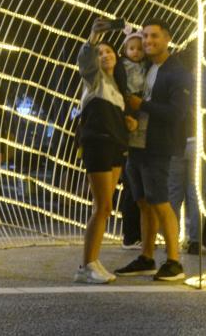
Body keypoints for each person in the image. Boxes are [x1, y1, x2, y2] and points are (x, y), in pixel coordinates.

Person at [114, 18, 191, 282]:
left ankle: (174, 262)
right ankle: (147, 257)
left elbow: (177, 113)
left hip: (159, 146)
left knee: (160, 202)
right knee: (143, 203)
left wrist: (141, 105)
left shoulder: (177, 72)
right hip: (137, 145)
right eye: (145, 36)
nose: (148, 41)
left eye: (154, 36)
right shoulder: (143, 67)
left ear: (167, 39)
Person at [73, 19, 133, 284]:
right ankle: (87, 265)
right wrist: (94, 36)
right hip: (98, 144)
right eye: (101, 52)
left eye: (109, 51)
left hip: (116, 147)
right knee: (103, 206)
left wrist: (127, 122)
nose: (105, 54)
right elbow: (85, 58)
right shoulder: (93, 80)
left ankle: (92, 261)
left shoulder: (117, 89)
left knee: (106, 207)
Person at [116, 31, 147, 250]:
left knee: (139, 189)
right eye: (131, 48)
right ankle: (130, 235)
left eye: (139, 48)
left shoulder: (147, 68)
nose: (136, 52)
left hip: (142, 126)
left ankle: (139, 234)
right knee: (131, 187)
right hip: (128, 120)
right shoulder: (121, 69)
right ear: (125, 50)